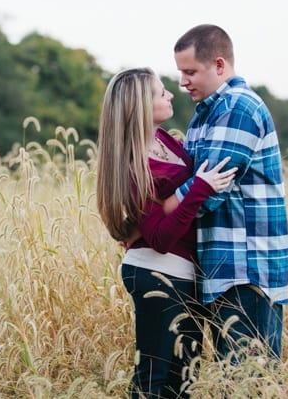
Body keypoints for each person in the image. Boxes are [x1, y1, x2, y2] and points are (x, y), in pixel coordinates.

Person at [96, 67, 237, 398]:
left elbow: (171, 203)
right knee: (155, 379)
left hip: (183, 275)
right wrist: (199, 189)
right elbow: (160, 237)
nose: (170, 93)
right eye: (161, 92)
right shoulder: (134, 167)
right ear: (141, 105)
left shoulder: (165, 140)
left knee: (184, 380)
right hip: (158, 274)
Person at [172, 24, 288, 362]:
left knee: (248, 382)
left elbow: (206, 194)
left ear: (219, 65)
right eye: (181, 72)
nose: (183, 82)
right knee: (234, 381)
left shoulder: (238, 109)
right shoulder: (205, 116)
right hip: (223, 269)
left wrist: (155, 216)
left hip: (247, 271)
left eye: (191, 71)